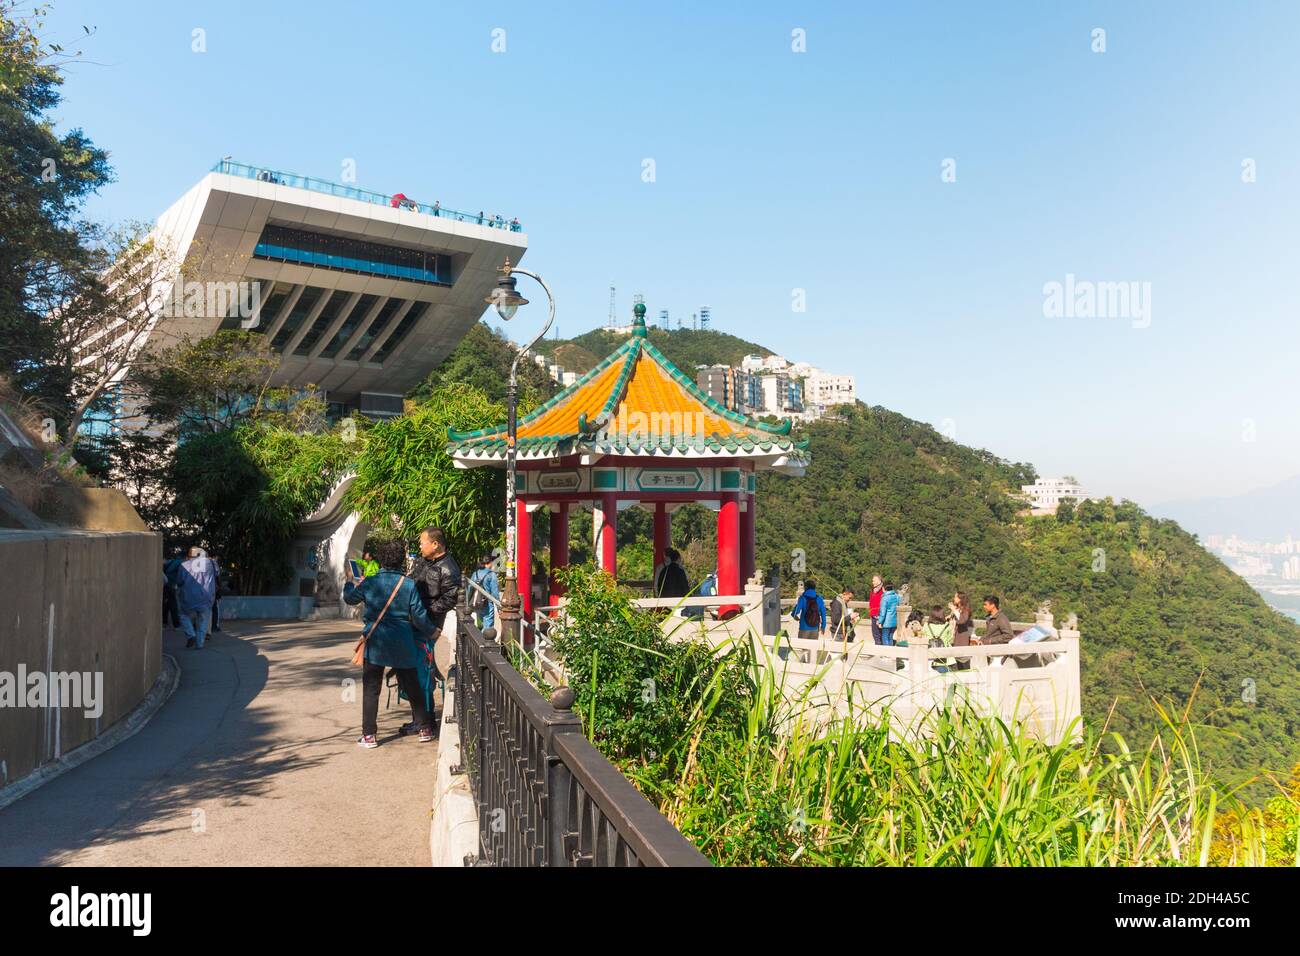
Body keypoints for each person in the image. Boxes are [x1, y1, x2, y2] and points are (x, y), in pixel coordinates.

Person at [344, 539, 436, 748]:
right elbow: (419, 616)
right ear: (400, 560)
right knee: (413, 686)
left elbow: (350, 598)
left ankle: (369, 736)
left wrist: (350, 581)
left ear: (382, 560)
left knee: (371, 688)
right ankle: (424, 729)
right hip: (403, 641)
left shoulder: (370, 582)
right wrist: (432, 631)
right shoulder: (409, 584)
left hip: (376, 642)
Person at [407, 526, 462, 731]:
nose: (420, 546)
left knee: (423, 673)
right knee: (412, 672)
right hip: (414, 622)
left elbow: (449, 598)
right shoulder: (423, 561)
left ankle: (426, 722)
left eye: (423, 542)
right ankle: (419, 719)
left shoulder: (449, 568)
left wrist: (426, 612)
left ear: (435, 544)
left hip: (428, 626)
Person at [176, 546, 218, 649]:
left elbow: (179, 582)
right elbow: (217, 574)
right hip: (207, 597)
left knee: (183, 615)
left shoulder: (184, 565)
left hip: (188, 597)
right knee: (203, 620)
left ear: (190, 555)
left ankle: (191, 635)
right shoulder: (211, 563)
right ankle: (200, 644)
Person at [468, 553, 500, 634]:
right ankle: (485, 644)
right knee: (488, 627)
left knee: (480, 623)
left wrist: (468, 603)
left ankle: (479, 642)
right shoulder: (491, 574)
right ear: (489, 563)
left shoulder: (475, 573)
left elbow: (470, 589)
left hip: (476, 603)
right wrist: (499, 608)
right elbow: (495, 593)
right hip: (487, 604)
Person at [923, 605, 955, 671]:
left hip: (930, 658)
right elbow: (950, 640)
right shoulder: (947, 625)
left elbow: (923, 638)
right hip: (945, 659)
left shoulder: (926, 626)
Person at [949, 591, 975, 669]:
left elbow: (962, 620)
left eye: (956, 597)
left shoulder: (965, 610)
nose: (954, 598)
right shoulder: (958, 609)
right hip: (954, 637)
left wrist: (954, 610)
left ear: (960, 599)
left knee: (962, 662)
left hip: (961, 638)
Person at [162, 549, 183, 629]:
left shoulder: (168, 563)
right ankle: (176, 624)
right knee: (173, 605)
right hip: (172, 585)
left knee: (166, 604)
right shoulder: (179, 563)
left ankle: (164, 622)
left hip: (165, 585)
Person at [878, 580, 900, 646]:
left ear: (883, 588)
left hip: (886, 622)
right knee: (891, 637)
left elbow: (883, 612)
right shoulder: (896, 596)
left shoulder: (885, 598)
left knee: (885, 637)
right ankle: (891, 654)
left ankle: (886, 653)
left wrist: (880, 621)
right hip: (894, 621)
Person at [867, 574, 885, 644]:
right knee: (875, 635)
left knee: (881, 635)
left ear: (879, 581)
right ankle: (878, 648)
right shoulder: (873, 590)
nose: (873, 582)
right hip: (873, 615)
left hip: (880, 615)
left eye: (874, 581)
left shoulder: (883, 590)